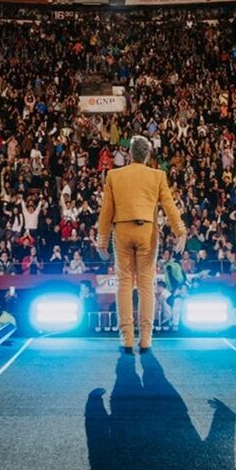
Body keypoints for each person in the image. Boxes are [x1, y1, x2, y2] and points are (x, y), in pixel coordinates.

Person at [96, 135, 187, 353]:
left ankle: (126, 338)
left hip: (122, 231)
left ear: (129, 153)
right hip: (147, 232)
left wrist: (102, 241)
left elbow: (106, 211)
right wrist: (180, 231)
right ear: (148, 155)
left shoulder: (114, 175)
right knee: (146, 286)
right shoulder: (158, 175)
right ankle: (146, 339)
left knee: (124, 285)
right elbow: (169, 205)